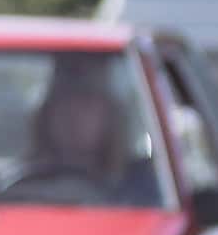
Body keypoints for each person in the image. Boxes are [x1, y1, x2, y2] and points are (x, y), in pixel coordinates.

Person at [16, 53, 161, 205]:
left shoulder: (142, 187)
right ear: (47, 114)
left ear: (110, 114)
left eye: (86, 103)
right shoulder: (18, 183)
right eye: (64, 102)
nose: (73, 115)